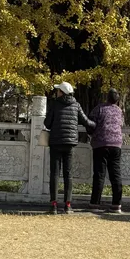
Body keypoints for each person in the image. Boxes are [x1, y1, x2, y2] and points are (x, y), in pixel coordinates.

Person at [44, 82, 95, 215]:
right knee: (68, 174)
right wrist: (97, 125)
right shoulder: (76, 105)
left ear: (61, 92)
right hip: (70, 143)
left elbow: (47, 123)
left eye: (58, 91)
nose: (56, 93)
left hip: (55, 143)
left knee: (54, 174)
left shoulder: (55, 104)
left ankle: (54, 205)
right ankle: (68, 205)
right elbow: (86, 121)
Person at [89, 88, 124, 213]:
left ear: (106, 97)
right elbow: (121, 124)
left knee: (99, 174)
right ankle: (116, 204)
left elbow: (90, 124)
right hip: (116, 145)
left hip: (101, 144)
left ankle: (95, 203)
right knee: (116, 174)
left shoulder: (100, 108)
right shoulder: (120, 111)